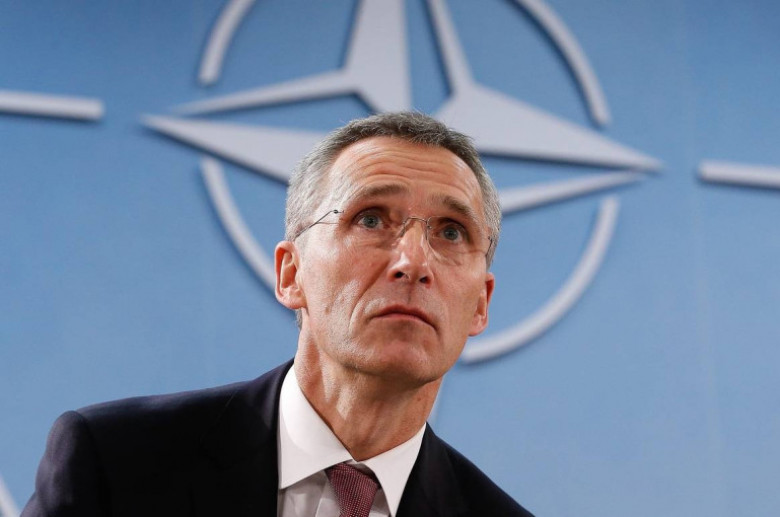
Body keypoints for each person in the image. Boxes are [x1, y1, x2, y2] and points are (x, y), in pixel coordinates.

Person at [23, 112, 534, 517]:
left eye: (451, 232)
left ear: (480, 304)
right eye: (371, 219)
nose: (413, 262)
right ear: (292, 273)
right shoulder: (116, 463)